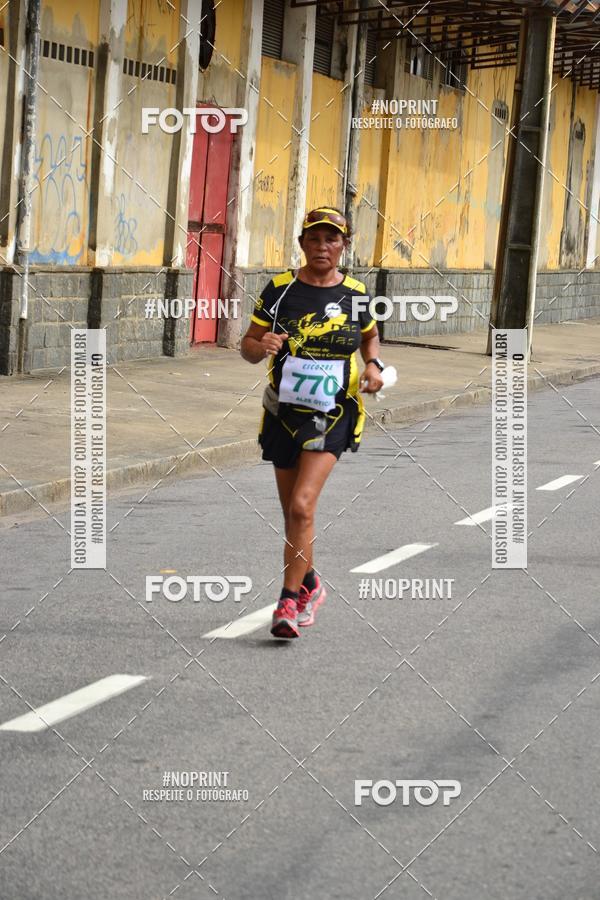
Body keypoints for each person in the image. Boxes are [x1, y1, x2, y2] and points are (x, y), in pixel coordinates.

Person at [240, 206, 385, 639]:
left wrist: (374, 366)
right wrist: (259, 344)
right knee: (293, 515)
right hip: (282, 414)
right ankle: (311, 583)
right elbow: (247, 346)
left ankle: (286, 601)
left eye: (332, 239)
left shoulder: (358, 292)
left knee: (303, 506)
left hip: (334, 412)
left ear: (343, 246)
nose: (323, 247)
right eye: (315, 239)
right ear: (302, 244)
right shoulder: (280, 290)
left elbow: (369, 336)